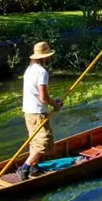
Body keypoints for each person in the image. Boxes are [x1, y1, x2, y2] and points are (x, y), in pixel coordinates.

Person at [17, 41, 62, 181]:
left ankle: (34, 168)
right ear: (45, 57)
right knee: (44, 143)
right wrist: (55, 104)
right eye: (49, 55)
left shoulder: (29, 69)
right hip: (37, 112)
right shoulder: (42, 72)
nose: (50, 58)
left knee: (34, 141)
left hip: (28, 111)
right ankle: (24, 167)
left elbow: (36, 94)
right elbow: (43, 97)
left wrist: (54, 101)